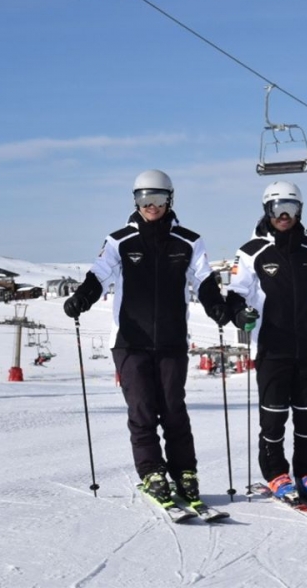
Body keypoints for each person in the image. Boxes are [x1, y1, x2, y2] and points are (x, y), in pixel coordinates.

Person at [63, 169, 230, 507]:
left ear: (170, 199)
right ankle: (152, 471)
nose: (151, 205)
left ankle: (185, 473)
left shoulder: (188, 241)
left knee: (173, 410)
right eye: (143, 198)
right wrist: (82, 297)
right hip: (130, 340)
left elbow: (205, 282)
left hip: (171, 340)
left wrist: (218, 309)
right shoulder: (119, 240)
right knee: (141, 408)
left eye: (158, 198)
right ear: (135, 200)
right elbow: (99, 274)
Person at [226, 181, 307, 504]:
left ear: (300, 211)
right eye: (278, 208)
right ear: (267, 210)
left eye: (291, 209)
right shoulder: (252, 252)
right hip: (272, 347)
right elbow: (236, 294)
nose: (284, 215)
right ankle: (275, 472)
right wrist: (241, 315)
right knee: (274, 416)